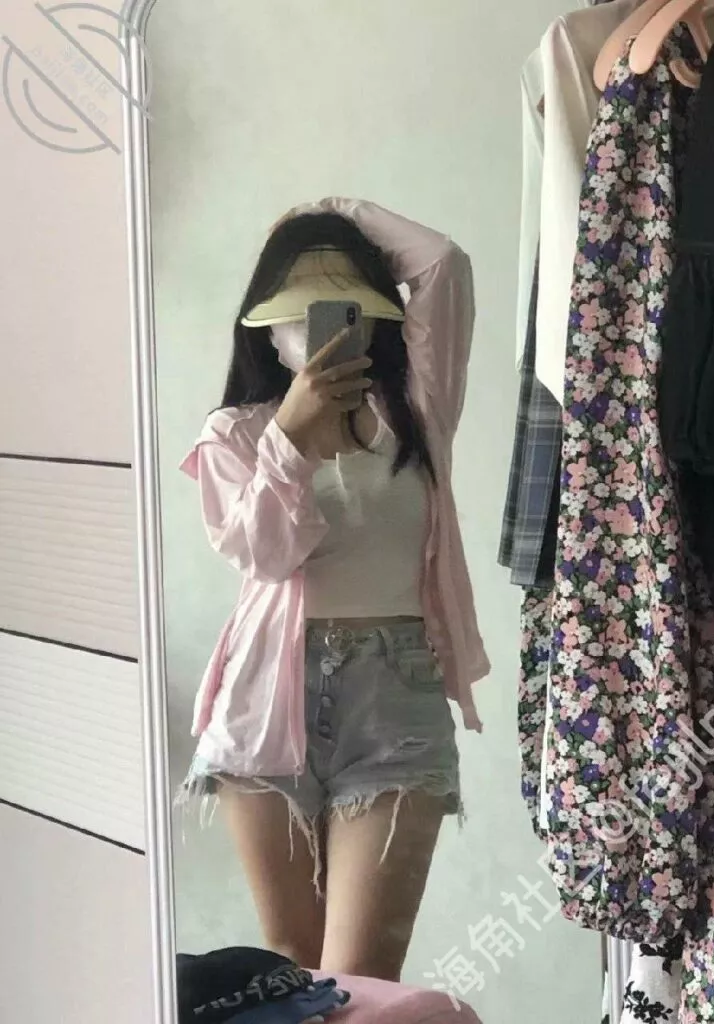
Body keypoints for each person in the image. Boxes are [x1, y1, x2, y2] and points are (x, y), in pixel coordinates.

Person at [178, 198, 489, 981]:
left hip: (396, 697)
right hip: (264, 701)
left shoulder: (417, 409)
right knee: (292, 966)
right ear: (267, 327)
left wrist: (331, 214)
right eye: (297, 308)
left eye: (340, 302)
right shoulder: (234, 434)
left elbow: (444, 264)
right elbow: (265, 555)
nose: (314, 324)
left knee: (363, 978)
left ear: (371, 315)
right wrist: (291, 441)